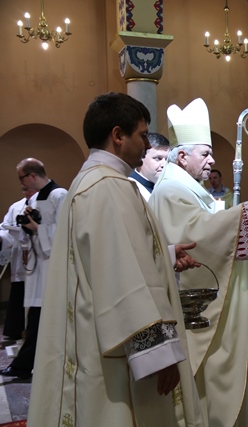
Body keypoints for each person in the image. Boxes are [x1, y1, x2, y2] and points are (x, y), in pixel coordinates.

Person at [27, 92, 204, 427]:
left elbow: (105, 261)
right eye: (142, 135)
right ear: (118, 135)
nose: (146, 145)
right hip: (119, 353)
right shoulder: (109, 187)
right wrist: (160, 355)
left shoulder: (90, 181)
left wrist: (164, 256)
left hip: (95, 333)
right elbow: (123, 279)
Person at [148, 97, 248, 427]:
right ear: (182, 156)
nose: (212, 161)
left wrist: (240, 214)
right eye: (205, 153)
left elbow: (207, 228)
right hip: (190, 311)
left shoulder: (184, 187)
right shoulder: (171, 190)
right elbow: (197, 238)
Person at [0, 158, 67, 380]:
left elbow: (66, 230)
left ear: (32, 176)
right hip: (39, 266)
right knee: (36, 318)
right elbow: (35, 230)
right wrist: (28, 228)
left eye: (21, 178)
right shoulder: (37, 198)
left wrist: (37, 228)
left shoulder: (59, 195)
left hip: (53, 267)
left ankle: (24, 364)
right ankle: (27, 363)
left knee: (41, 319)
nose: (21, 183)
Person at [0, 187, 36, 341]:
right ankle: (16, 330)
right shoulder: (16, 207)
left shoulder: (46, 204)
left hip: (38, 256)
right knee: (19, 292)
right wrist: (1, 238)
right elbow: (5, 228)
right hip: (20, 257)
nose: (27, 192)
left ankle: (33, 331)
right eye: (24, 190)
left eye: (29, 189)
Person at [128, 131, 170, 201]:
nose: (164, 164)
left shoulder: (168, 186)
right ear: (141, 157)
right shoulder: (129, 187)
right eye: (158, 158)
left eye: (167, 159)